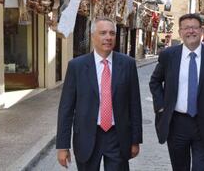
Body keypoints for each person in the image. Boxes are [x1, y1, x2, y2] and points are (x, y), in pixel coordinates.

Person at [56, 17, 143, 170]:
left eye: (112, 33)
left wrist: (135, 140)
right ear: (92, 36)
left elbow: (134, 104)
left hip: (118, 136)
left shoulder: (128, 64)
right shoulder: (77, 66)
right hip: (87, 136)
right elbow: (66, 109)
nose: (108, 37)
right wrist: (62, 146)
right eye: (103, 33)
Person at [149, 13, 204, 171]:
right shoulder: (169, 55)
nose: (190, 31)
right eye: (186, 28)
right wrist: (161, 106)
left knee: (201, 167)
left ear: (201, 31)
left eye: (194, 27)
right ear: (180, 32)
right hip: (176, 123)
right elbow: (155, 81)